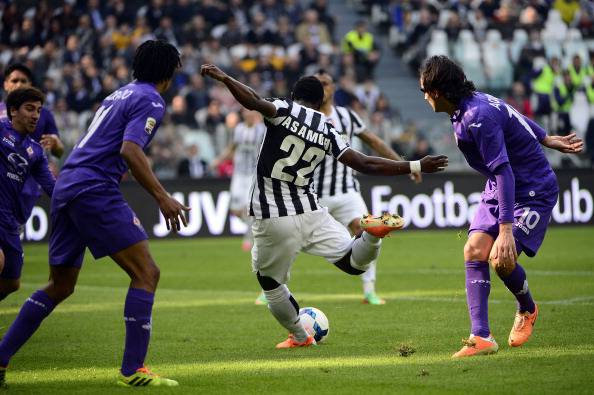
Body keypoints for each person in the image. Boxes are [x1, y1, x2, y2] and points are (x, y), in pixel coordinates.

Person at [201, 63, 448, 349]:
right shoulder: (328, 128)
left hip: (273, 215)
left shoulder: (284, 109)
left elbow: (253, 101)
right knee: (353, 263)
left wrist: (225, 78)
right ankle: (370, 235)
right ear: (321, 102)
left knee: (268, 281)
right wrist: (416, 164)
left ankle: (299, 336)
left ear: (294, 96)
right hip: (311, 210)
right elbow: (365, 163)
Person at [0, 40, 189, 387]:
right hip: (93, 187)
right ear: (169, 72)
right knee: (147, 273)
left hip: (68, 185)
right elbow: (130, 150)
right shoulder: (150, 98)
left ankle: (0, 359)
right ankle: (133, 369)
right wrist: (162, 196)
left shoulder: (119, 93)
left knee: (61, 285)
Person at [419, 55, 584, 358]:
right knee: (473, 250)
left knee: (501, 259)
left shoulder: (476, 115)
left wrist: (506, 230)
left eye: (424, 91)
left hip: (532, 191)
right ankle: (481, 337)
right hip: (501, 187)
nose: (424, 97)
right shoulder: (470, 105)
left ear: (437, 91)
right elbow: (513, 117)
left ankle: (527, 308)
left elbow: (504, 170)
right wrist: (546, 138)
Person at [314, 69, 421, 305]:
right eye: (317, 83)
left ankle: (369, 290)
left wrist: (405, 165)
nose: (322, 87)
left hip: (346, 192)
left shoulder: (347, 116)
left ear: (333, 88)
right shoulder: (306, 117)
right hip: (314, 195)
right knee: (291, 237)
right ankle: (272, 287)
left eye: (325, 83)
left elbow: (374, 141)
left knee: (368, 231)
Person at [0, 87, 55, 302]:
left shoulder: (36, 152)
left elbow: (51, 187)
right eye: (29, 109)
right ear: (13, 111)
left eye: (39, 111)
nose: (35, 115)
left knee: (12, 282)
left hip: (9, 221)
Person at [0, 63, 64, 230]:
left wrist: (56, 144)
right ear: (6, 84)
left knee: (11, 243)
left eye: (23, 81)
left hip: (26, 187)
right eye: (14, 80)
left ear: (30, 85)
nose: (19, 84)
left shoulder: (44, 114)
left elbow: (58, 151)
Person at [211, 109, 266, 253]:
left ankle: (248, 239)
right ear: (243, 115)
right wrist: (219, 160)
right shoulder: (239, 129)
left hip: (252, 174)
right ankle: (258, 226)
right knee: (235, 211)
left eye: (252, 113)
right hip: (238, 174)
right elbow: (232, 147)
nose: (249, 115)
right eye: (247, 113)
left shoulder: (261, 130)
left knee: (248, 208)